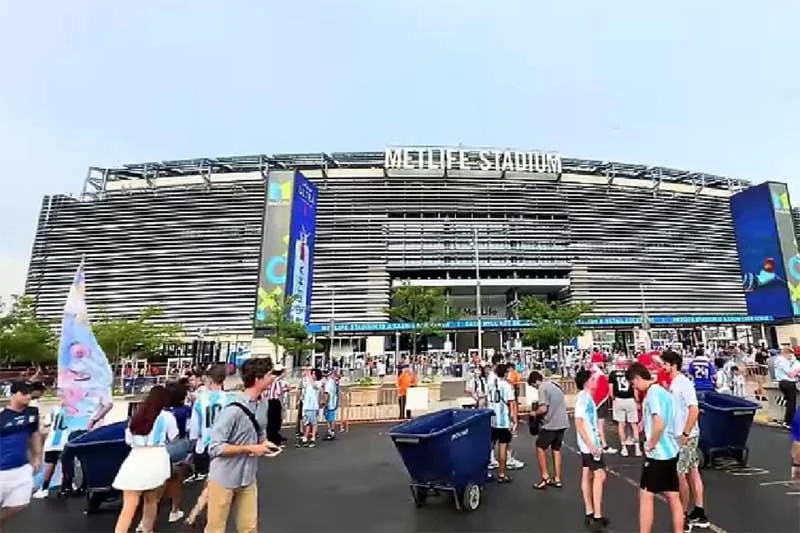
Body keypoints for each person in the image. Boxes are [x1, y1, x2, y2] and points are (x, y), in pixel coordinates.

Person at [206, 358, 281, 533]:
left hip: (248, 477)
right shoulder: (232, 409)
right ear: (257, 379)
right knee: (215, 528)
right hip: (224, 478)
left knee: (249, 528)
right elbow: (215, 447)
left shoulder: (263, 403)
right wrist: (250, 448)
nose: (273, 378)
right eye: (270, 375)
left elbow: (260, 433)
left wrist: (265, 445)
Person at [626, 362, 684, 533]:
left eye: (633, 383)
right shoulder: (664, 393)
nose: (634, 387)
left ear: (637, 378)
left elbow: (659, 423)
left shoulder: (652, 394)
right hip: (672, 451)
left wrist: (650, 443)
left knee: (645, 495)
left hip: (658, 454)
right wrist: (646, 421)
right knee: (673, 496)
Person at [112, 385, 179, 533]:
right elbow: (174, 437)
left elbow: (128, 440)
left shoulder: (136, 416)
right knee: (151, 501)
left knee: (128, 506)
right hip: (157, 458)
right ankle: (147, 530)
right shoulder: (167, 417)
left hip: (135, 458)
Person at [662, 350, 709, 531]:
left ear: (673, 364)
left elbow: (694, 409)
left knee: (680, 474)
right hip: (682, 434)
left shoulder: (683, 383)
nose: (663, 367)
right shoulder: (675, 383)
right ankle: (699, 511)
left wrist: (685, 433)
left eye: (665, 364)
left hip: (685, 435)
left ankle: (683, 514)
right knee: (692, 471)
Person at [0, 381, 41, 530]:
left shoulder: (32, 413)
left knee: (20, 503)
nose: (28, 397)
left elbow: (35, 434)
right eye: (23, 393)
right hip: (1, 469)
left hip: (21, 467)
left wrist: (37, 456)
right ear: (13, 395)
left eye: (29, 393)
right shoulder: (2, 417)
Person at [574, 369, 608, 531]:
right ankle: (597, 516)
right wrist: (592, 445)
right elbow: (579, 423)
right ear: (586, 382)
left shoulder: (586, 398)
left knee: (587, 474)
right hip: (588, 445)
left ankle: (590, 512)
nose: (595, 381)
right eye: (593, 379)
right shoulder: (584, 398)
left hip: (588, 443)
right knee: (600, 475)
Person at [528, 370, 569, 489]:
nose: (535, 388)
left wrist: (534, 413)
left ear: (536, 381)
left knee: (540, 447)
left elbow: (543, 409)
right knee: (556, 449)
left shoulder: (542, 388)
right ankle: (557, 478)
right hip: (562, 422)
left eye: (534, 386)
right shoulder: (555, 385)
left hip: (551, 424)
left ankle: (545, 477)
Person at [488, 363, 517, 483]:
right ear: (505, 373)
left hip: (491, 419)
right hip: (503, 421)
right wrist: (514, 420)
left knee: (489, 447)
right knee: (503, 447)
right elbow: (512, 403)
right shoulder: (507, 386)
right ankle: (501, 474)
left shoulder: (490, 385)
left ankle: (486, 472)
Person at [609, 359, 641, 457]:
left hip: (619, 399)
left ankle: (624, 448)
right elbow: (635, 388)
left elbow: (610, 390)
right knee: (634, 424)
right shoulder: (631, 373)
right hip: (630, 399)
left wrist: (613, 398)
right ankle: (637, 448)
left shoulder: (613, 374)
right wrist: (637, 400)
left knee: (621, 424)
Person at [591, 364, 617, 455]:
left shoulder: (593, 376)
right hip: (601, 403)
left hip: (595, 403)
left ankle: (598, 445)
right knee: (600, 426)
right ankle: (604, 445)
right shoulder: (600, 377)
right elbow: (605, 391)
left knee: (596, 426)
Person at [774, 345, 800, 429]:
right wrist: (798, 369)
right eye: (790, 354)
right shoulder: (783, 361)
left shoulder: (778, 360)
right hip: (788, 383)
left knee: (789, 402)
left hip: (782, 383)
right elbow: (791, 374)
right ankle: (788, 422)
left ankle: (787, 420)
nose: (791, 356)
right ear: (787, 353)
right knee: (791, 403)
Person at [265, 364, 290, 446]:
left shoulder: (268, 379)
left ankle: (271, 437)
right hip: (274, 401)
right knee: (276, 421)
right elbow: (279, 392)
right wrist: (287, 389)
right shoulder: (277, 381)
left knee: (270, 420)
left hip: (267, 401)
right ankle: (274, 439)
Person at [299, 368, 323, 448]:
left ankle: (313, 438)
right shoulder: (308, 383)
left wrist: (309, 375)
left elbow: (314, 386)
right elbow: (303, 389)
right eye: (312, 374)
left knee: (314, 423)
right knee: (307, 423)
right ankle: (305, 438)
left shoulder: (319, 383)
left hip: (313, 407)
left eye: (314, 374)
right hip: (306, 406)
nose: (312, 375)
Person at [322, 369, 341, 440]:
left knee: (329, 418)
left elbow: (327, 394)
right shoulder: (333, 382)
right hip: (333, 402)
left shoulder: (328, 383)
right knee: (331, 418)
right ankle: (331, 431)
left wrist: (325, 403)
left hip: (330, 403)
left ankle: (331, 431)